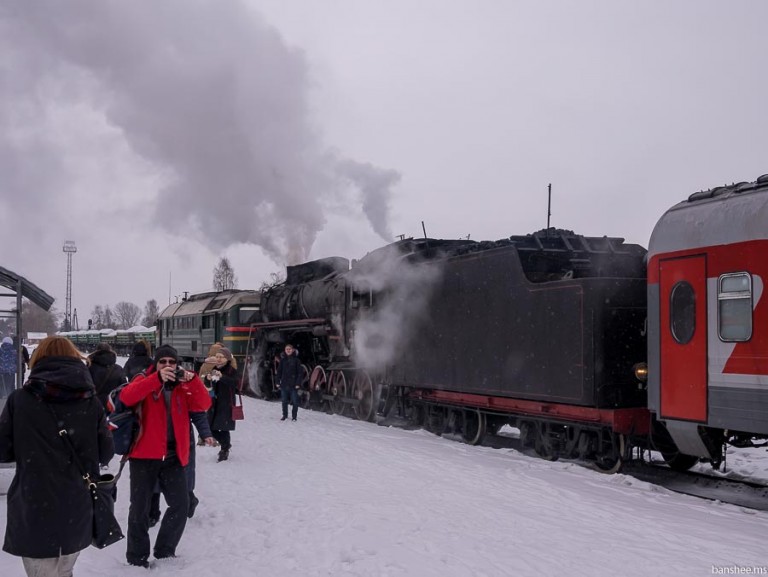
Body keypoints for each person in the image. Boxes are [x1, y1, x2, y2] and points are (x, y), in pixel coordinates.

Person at [0, 336, 114, 577]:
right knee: (64, 570)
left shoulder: (19, 400)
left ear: (37, 360)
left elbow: (3, 450)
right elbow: (106, 452)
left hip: (33, 504)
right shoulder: (91, 402)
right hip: (76, 505)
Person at [119, 344, 212, 567]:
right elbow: (127, 397)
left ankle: (165, 550)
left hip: (173, 456)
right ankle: (137, 556)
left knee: (180, 505)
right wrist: (156, 379)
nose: (168, 366)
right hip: (144, 456)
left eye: (172, 362)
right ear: (155, 364)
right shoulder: (144, 379)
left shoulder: (182, 386)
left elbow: (203, 404)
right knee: (139, 509)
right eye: (163, 362)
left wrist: (193, 381)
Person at [203, 347, 238, 461]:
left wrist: (222, 377)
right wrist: (208, 379)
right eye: (217, 357)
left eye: (221, 357)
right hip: (214, 402)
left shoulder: (231, 370)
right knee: (210, 427)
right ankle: (226, 445)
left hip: (226, 403)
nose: (218, 359)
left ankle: (224, 449)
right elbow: (209, 384)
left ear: (227, 359)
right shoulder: (214, 368)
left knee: (224, 427)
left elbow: (234, 384)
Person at [88, 342, 128, 409]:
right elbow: (124, 388)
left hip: (95, 405)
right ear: (111, 351)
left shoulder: (89, 368)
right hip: (113, 404)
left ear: (95, 352)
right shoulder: (118, 368)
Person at [276, 343, 303, 421]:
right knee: (284, 401)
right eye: (287, 349)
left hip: (294, 384)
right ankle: (285, 415)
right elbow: (279, 372)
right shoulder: (282, 361)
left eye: (289, 349)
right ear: (285, 351)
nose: (288, 350)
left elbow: (300, 373)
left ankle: (294, 417)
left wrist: (298, 383)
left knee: (295, 402)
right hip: (284, 384)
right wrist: (277, 381)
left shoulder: (297, 361)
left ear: (292, 350)